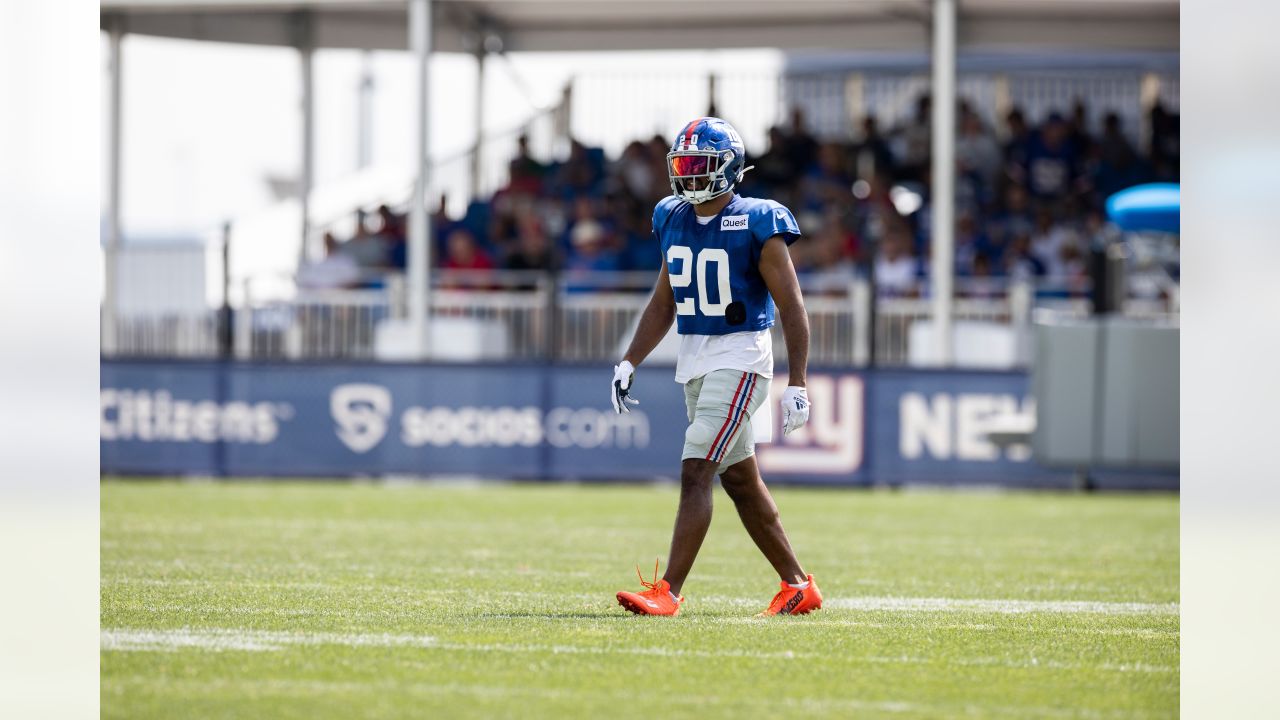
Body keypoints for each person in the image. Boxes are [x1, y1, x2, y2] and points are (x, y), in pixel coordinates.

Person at [609, 117, 822, 618]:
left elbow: (792, 306)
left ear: (728, 168)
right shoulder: (673, 217)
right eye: (681, 165)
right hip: (696, 359)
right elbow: (664, 302)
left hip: (742, 358)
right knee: (741, 481)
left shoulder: (757, 220)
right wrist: (629, 359)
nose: (687, 176)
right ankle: (797, 584)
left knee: (696, 466)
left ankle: (668, 591)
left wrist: (798, 383)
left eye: (697, 166)